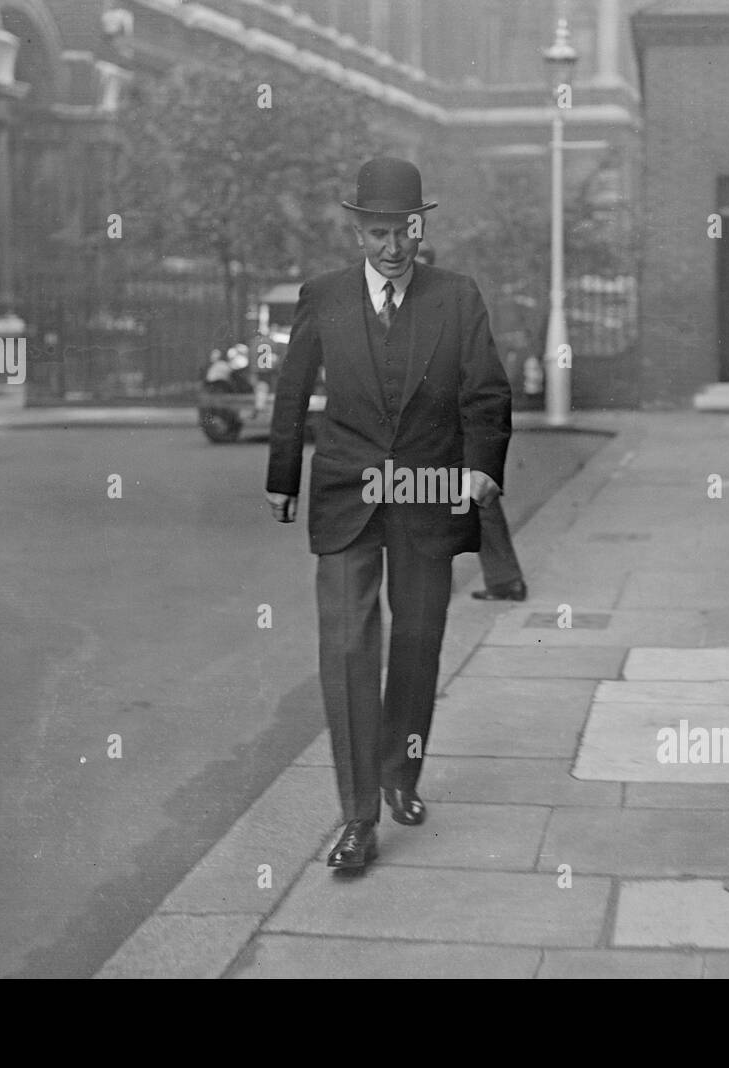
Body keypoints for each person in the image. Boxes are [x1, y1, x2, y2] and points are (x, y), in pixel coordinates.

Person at [265, 157, 512, 871]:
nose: (393, 246)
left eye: (403, 230)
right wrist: (283, 474)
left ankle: (401, 773)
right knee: (346, 649)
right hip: (347, 490)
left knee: (418, 641)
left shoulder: (457, 297)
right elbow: (292, 389)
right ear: (359, 232)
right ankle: (357, 817)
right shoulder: (326, 297)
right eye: (378, 233)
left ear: (419, 226)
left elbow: (485, 393)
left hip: (431, 495)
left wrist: (482, 469)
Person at [414, 246, 528, 602]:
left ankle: (499, 579)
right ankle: (503, 579)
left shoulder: (445, 309)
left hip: (456, 427)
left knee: (472, 501)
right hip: (436, 429)